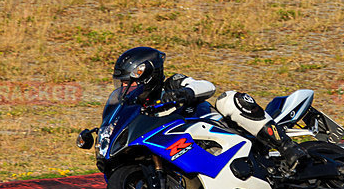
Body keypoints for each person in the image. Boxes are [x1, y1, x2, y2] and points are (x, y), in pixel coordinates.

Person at [112, 46, 306, 168]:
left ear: (148, 76)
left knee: (227, 99)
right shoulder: (138, 108)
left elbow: (207, 86)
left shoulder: (172, 84)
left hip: (216, 129)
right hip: (185, 150)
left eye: (130, 82)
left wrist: (184, 93)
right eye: (122, 83)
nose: (125, 87)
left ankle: (287, 147)